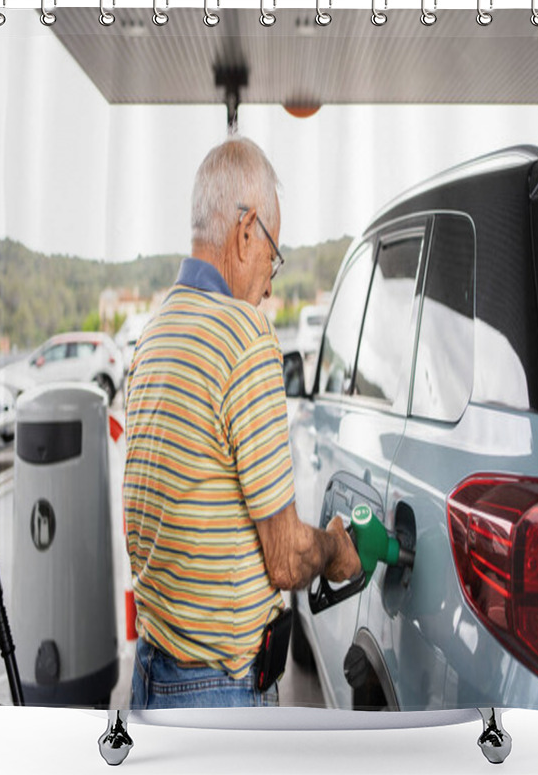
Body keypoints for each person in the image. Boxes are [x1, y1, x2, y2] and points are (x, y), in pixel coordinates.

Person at [123, 137, 361, 709]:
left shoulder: (154, 334)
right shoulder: (244, 337)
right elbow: (284, 561)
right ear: (247, 228)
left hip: (154, 673)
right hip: (218, 693)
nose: (271, 283)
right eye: (273, 256)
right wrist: (335, 548)